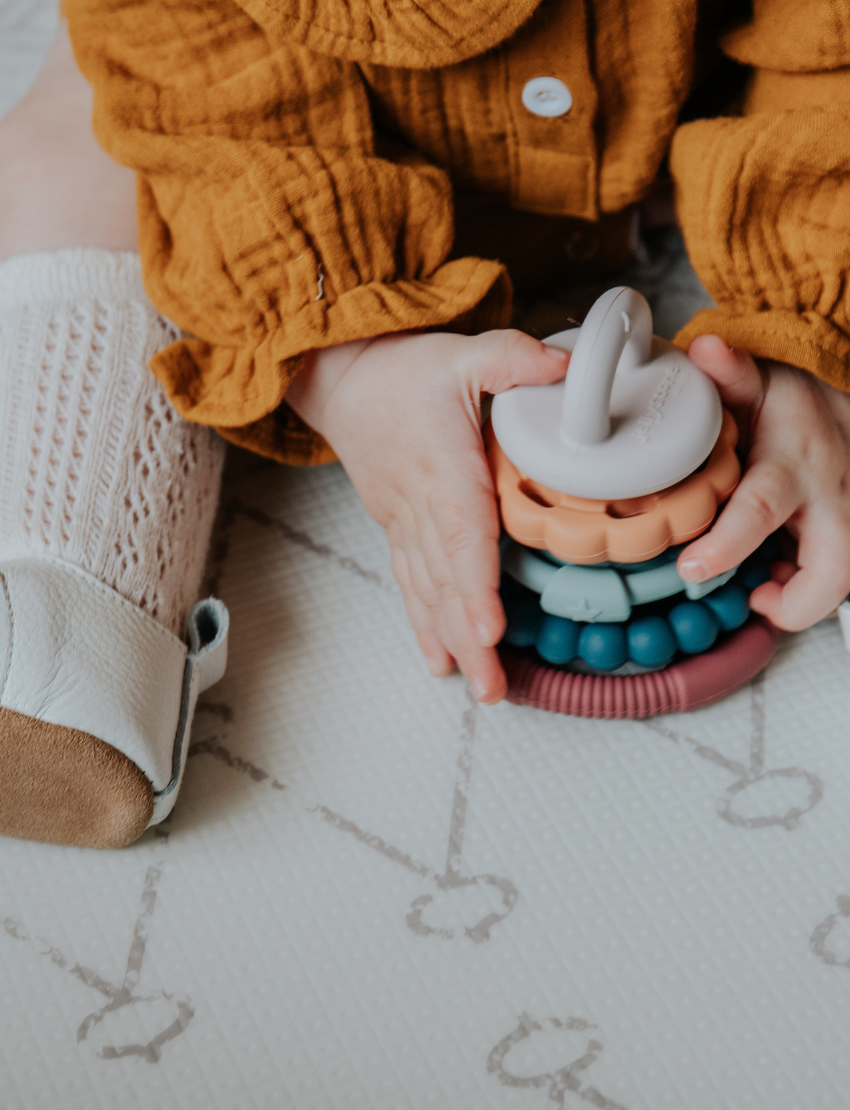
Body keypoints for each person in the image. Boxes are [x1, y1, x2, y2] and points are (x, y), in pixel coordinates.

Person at [2, 1, 849, 845]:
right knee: (94, 147)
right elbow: (196, 60)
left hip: (692, 108)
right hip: (289, 122)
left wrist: (813, 324)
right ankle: (62, 589)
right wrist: (349, 351)